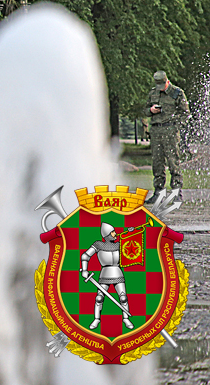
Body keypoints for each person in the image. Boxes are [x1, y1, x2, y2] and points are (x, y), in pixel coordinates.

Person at [143, 70, 189, 204]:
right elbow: (145, 110)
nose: (160, 88)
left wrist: (175, 126)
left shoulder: (177, 93)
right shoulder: (153, 93)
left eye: (162, 85)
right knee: (157, 163)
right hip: (156, 131)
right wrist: (151, 111)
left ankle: (176, 193)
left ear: (167, 81)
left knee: (173, 162)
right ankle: (158, 192)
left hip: (171, 131)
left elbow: (185, 113)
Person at [81, 223, 134, 330]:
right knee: (99, 298)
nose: (115, 234)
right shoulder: (98, 245)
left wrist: (130, 232)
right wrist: (85, 270)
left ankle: (126, 318)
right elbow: (85, 255)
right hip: (105, 273)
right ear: (107, 234)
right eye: (113, 232)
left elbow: (132, 244)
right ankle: (96, 319)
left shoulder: (119, 244)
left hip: (118, 272)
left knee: (123, 298)